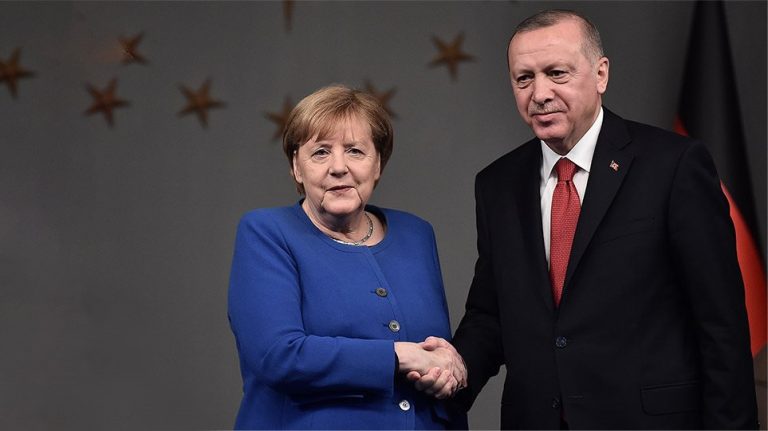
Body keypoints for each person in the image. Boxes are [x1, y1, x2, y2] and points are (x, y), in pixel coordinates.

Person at [413, 9, 758, 429]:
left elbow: (721, 325)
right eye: (524, 78)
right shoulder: (497, 184)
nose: (539, 93)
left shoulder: (673, 165)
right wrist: (458, 366)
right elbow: (491, 313)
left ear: (600, 74)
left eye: (556, 73)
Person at [227, 84, 467, 430]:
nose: (338, 167)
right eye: (320, 152)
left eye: (355, 151)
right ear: (297, 167)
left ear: (378, 163)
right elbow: (277, 355)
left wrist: (446, 374)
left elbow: (437, 355)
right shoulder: (266, 231)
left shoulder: (416, 234)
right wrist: (402, 355)